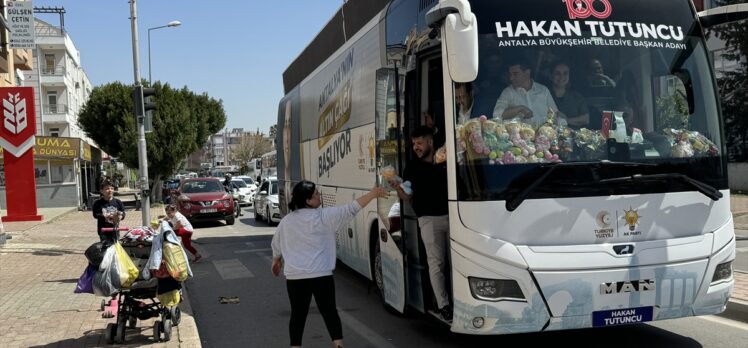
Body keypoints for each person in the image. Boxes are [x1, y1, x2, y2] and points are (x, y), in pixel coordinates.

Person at [271, 181, 387, 348]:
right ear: (308, 201)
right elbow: (352, 208)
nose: (320, 196)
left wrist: (276, 261)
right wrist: (372, 194)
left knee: (298, 315)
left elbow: (277, 244)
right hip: (321, 276)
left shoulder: (287, 221)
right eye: (316, 194)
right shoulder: (325, 216)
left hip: (296, 278)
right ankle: (338, 345)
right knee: (330, 312)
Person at [391, 125, 452, 321]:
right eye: (413, 144)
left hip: (453, 218)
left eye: (419, 143)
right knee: (436, 264)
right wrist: (398, 188)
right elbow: (408, 196)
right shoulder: (412, 167)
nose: (416, 147)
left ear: (430, 142)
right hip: (428, 220)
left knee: (455, 262)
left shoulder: (444, 158)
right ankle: (444, 305)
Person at [493, 61, 559, 125]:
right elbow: (496, 115)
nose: (511, 78)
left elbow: (555, 114)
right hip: (518, 135)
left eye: (515, 74)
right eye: (510, 74)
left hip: (545, 134)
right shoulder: (508, 92)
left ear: (527, 72)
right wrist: (520, 108)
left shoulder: (543, 90)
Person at [550, 61, 590, 128]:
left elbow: (586, 119)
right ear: (551, 75)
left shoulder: (577, 97)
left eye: (565, 73)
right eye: (557, 73)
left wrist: (565, 120)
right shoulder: (544, 95)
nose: (561, 76)